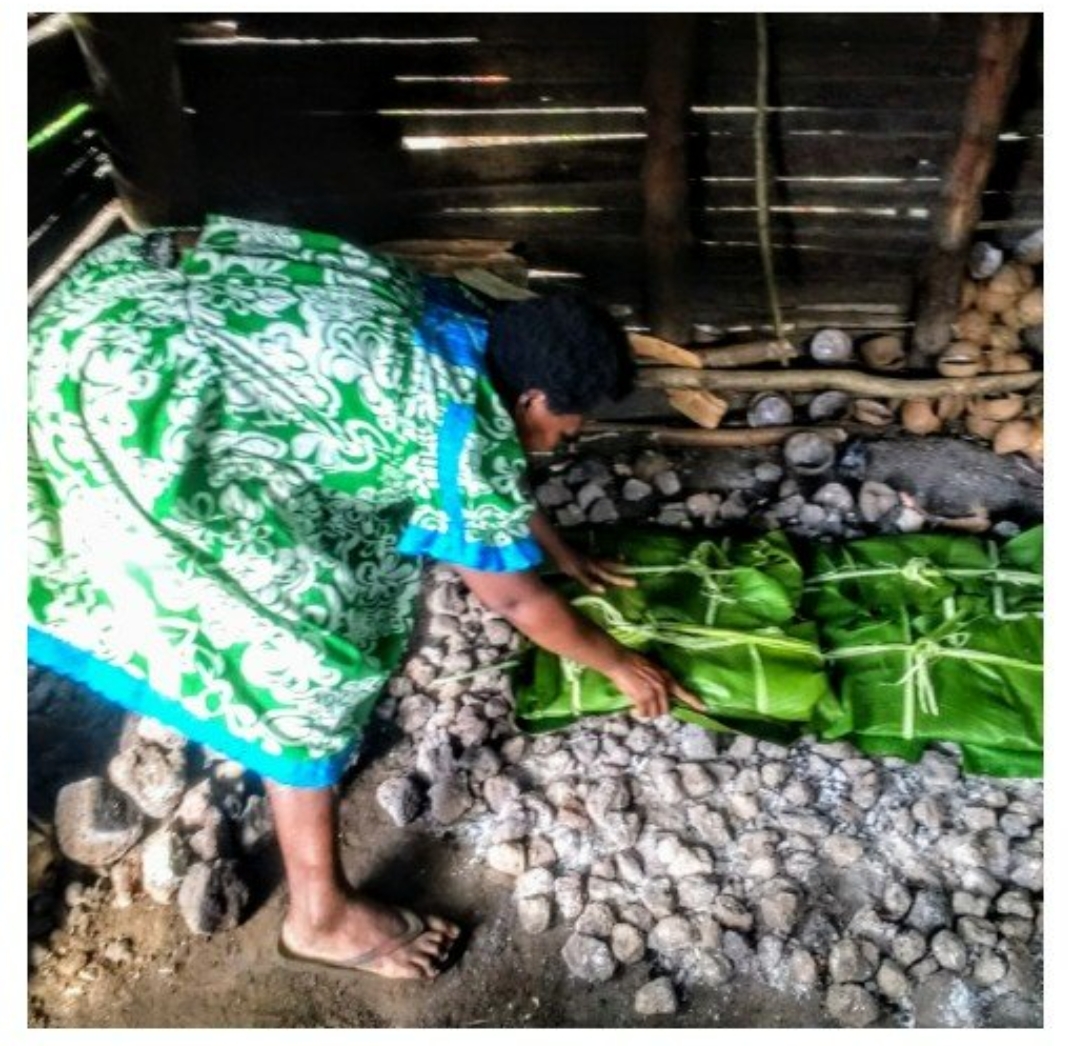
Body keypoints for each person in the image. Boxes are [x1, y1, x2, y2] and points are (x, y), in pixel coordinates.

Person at [28, 214, 703, 981]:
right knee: (313, 660)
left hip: (124, 301)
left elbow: (485, 455)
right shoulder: (456, 430)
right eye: (562, 430)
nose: (557, 446)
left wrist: (556, 546)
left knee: (363, 563)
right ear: (533, 396)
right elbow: (513, 598)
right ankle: (320, 915)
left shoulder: (471, 320)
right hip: (128, 396)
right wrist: (616, 663)